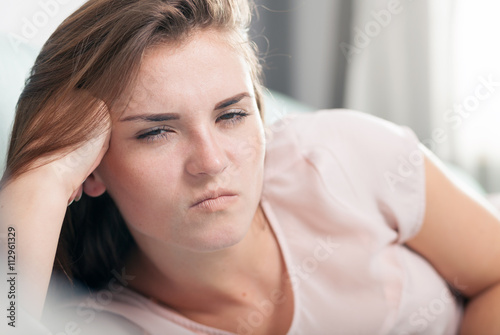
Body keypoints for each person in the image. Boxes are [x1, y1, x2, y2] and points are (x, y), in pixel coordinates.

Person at [1, 0, 500, 334]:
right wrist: (41, 176)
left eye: (232, 114)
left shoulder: (344, 155)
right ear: (91, 169)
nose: (212, 162)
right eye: (156, 131)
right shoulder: (110, 321)